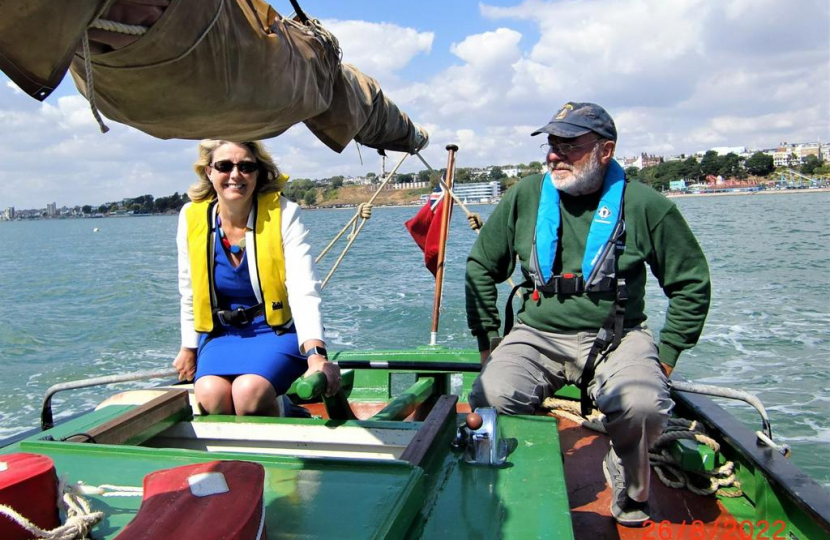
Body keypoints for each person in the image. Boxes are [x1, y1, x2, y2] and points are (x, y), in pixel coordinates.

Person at [465, 102, 710, 526]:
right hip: (537, 334)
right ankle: (524, 476)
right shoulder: (525, 196)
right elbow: (481, 267)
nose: (554, 155)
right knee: (489, 396)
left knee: (646, 407)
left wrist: (667, 355)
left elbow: (691, 283)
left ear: (605, 150)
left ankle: (626, 469)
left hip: (619, 336)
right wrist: (489, 342)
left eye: (568, 145)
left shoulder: (646, 206)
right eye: (552, 144)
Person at [172, 140, 340, 416]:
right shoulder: (190, 217)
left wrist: (315, 354)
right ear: (208, 172)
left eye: (246, 167)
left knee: (248, 392)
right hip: (221, 333)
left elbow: (303, 289)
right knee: (211, 395)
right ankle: (236, 458)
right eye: (224, 166)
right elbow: (188, 289)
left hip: (275, 330)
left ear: (258, 173)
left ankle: (287, 418)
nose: (235, 175)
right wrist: (188, 347)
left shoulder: (284, 214)